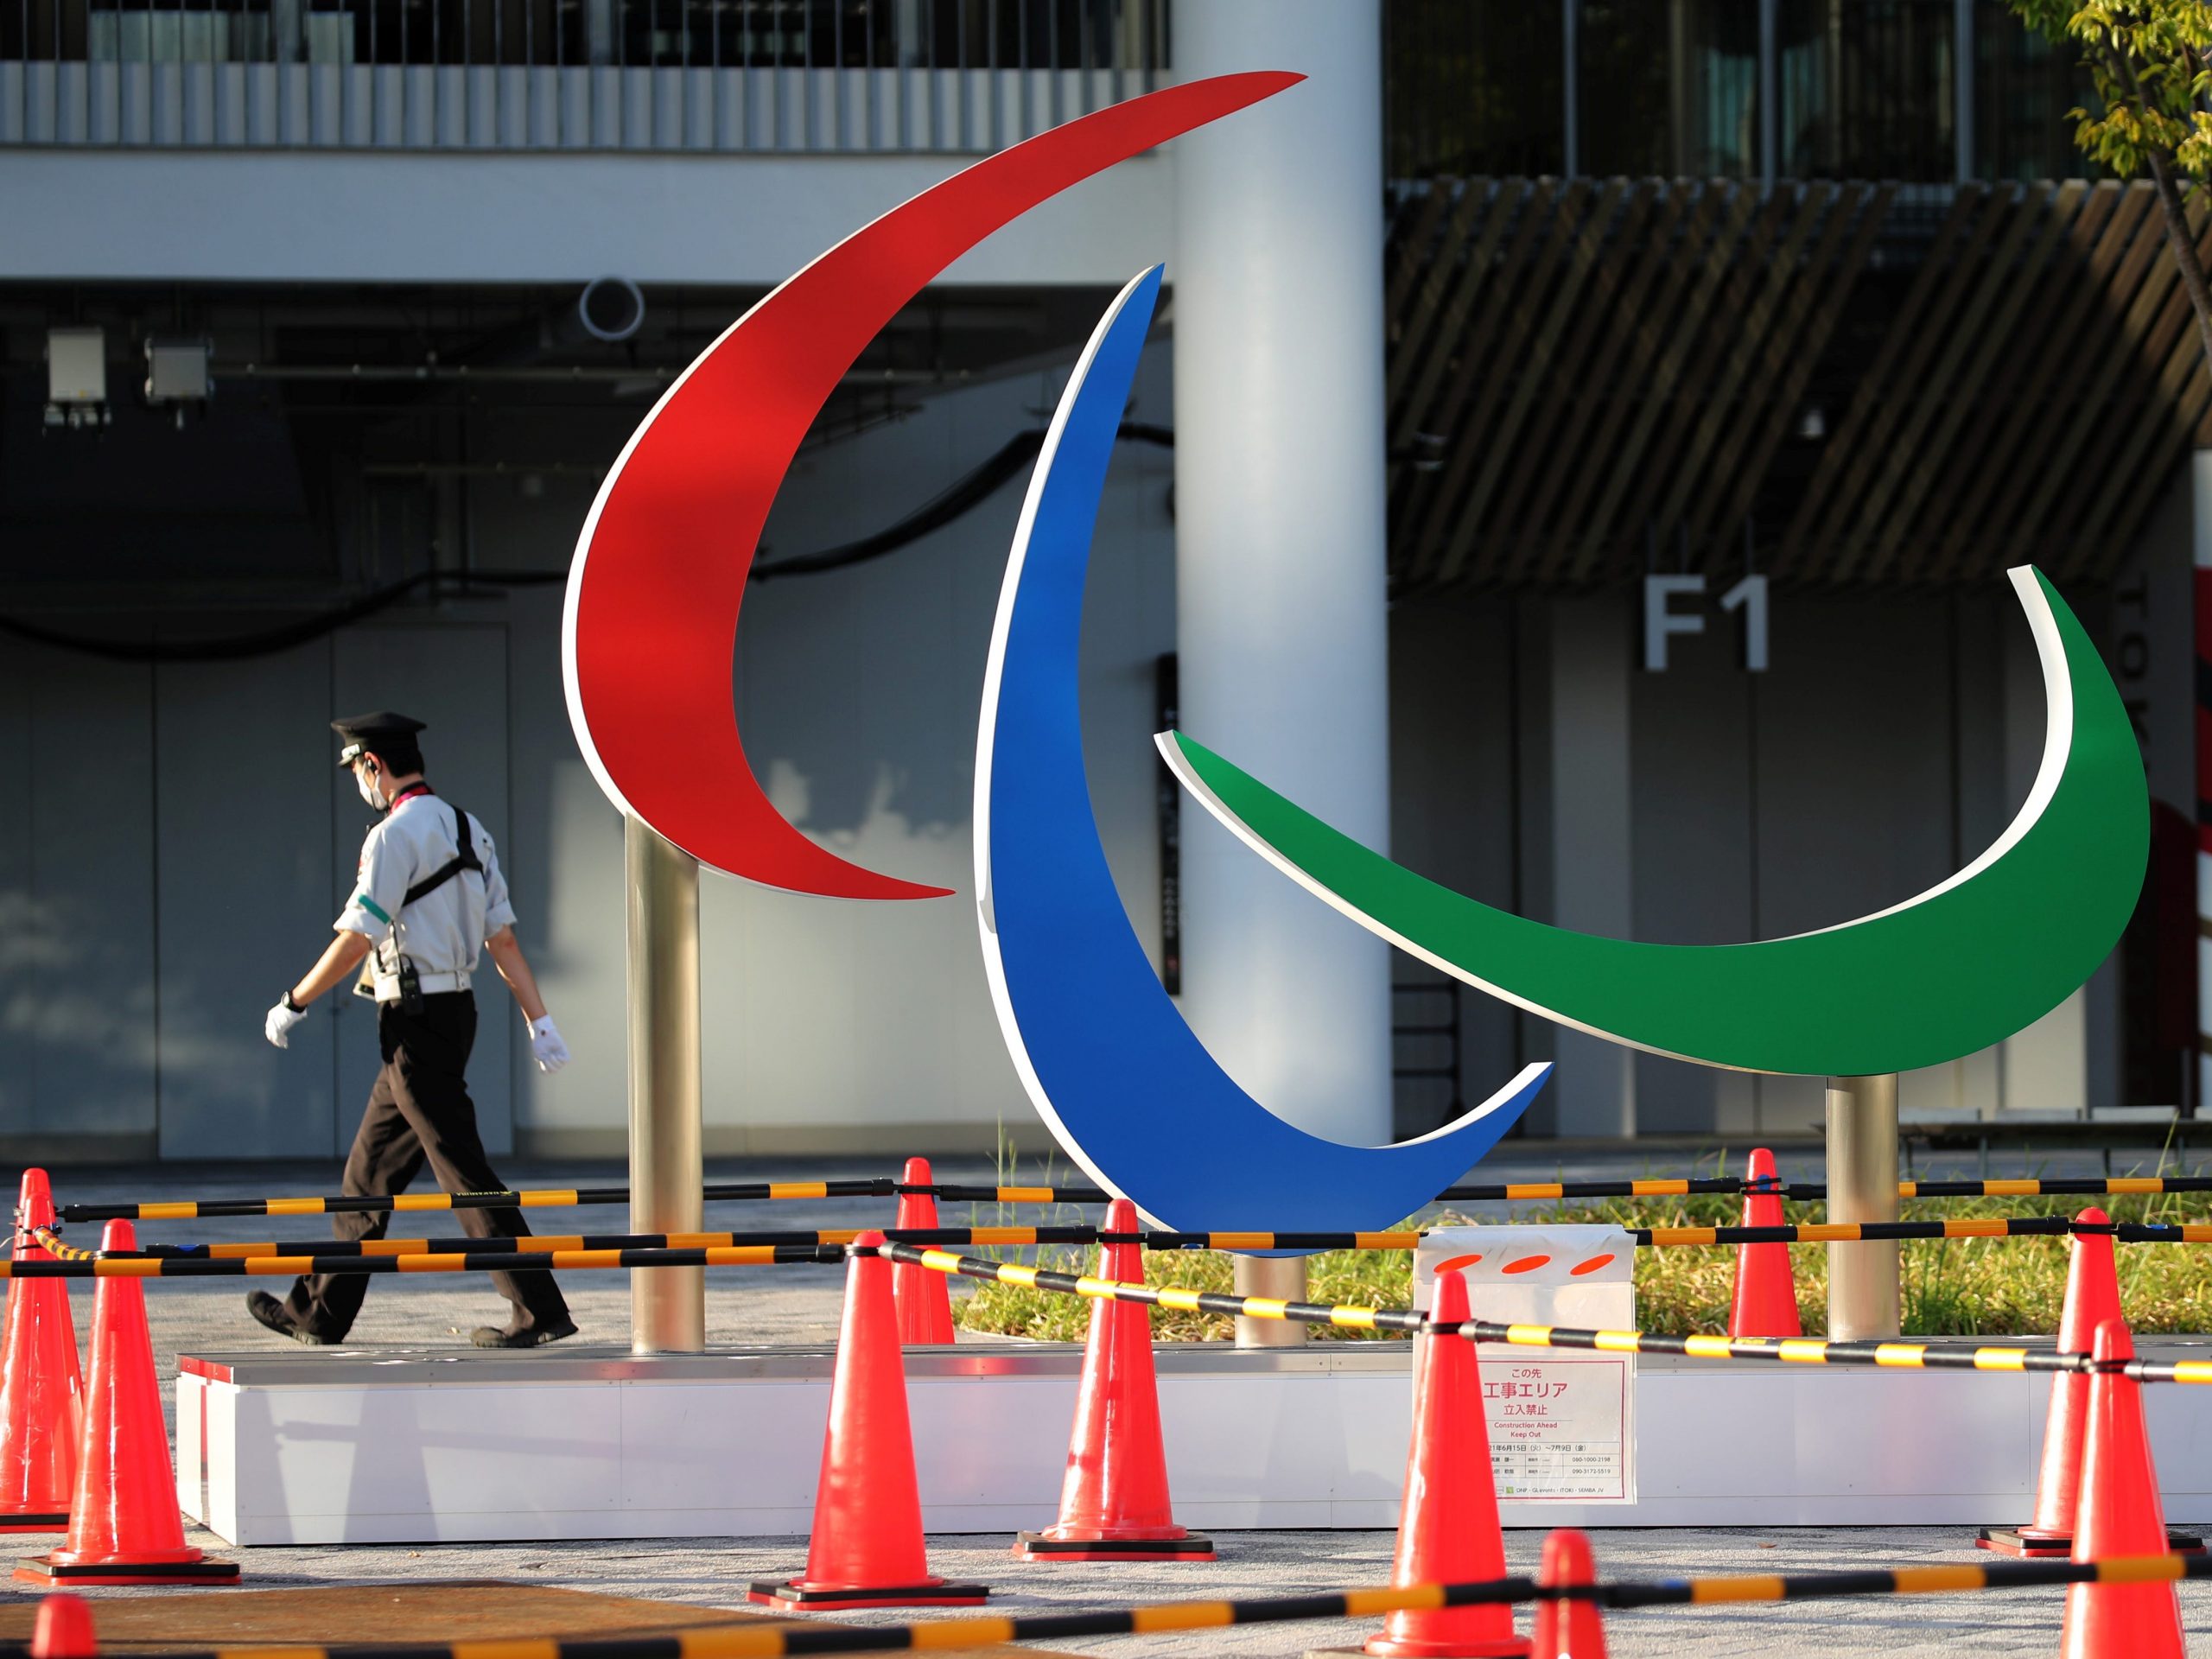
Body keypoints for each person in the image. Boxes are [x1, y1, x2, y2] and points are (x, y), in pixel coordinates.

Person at [255, 711, 578, 1349]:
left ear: (372, 766)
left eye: (357, 774)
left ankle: (539, 1310)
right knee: (369, 1176)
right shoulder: (468, 828)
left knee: (465, 1173)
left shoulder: (393, 836)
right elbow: (503, 938)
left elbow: (357, 938)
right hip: (455, 1016)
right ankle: (317, 1313)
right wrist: (539, 1020)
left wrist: (295, 1000)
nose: (359, 786)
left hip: (415, 1023)